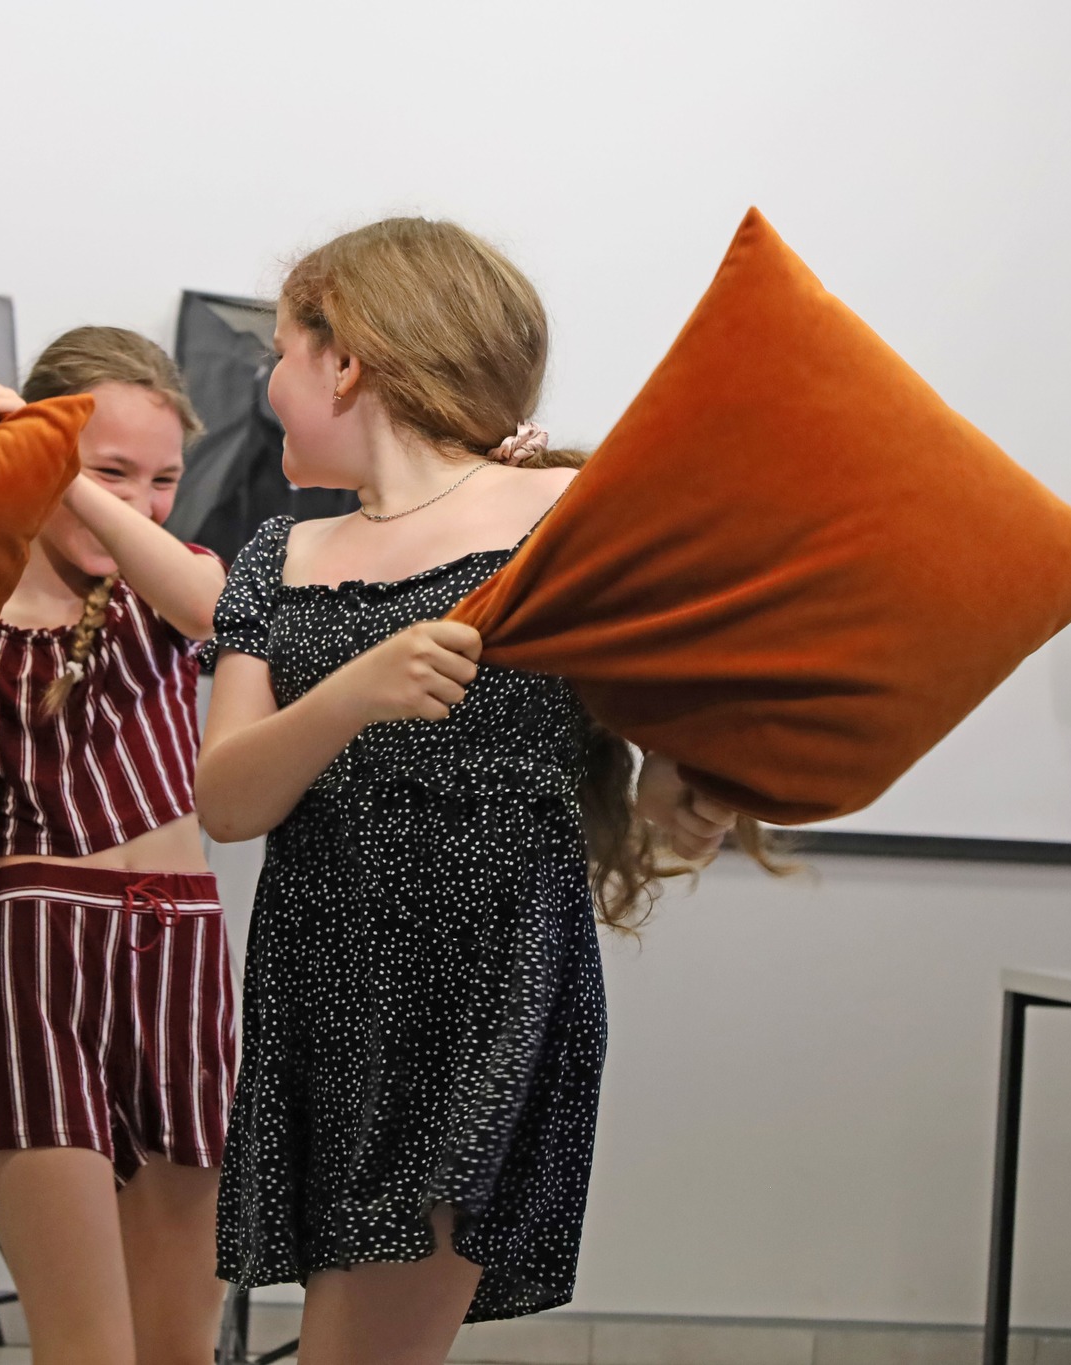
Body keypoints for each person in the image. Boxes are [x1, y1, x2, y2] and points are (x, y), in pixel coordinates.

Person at [196, 219, 737, 1365]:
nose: (268, 389)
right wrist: (352, 694)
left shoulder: (564, 514)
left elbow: (653, 755)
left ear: (347, 361)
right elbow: (227, 802)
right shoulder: (277, 556)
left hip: (483, 991)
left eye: (281, 357)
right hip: (321, 996)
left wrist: (679, 791)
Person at [0, 326, 233, 1365]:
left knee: (178, 1348)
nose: (142, 501)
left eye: (163, 478)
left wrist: (63, 472)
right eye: (110, 470)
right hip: (36, 957)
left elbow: (213, 606)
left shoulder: (172, 583)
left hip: (181, 958)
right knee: (85, 1347)